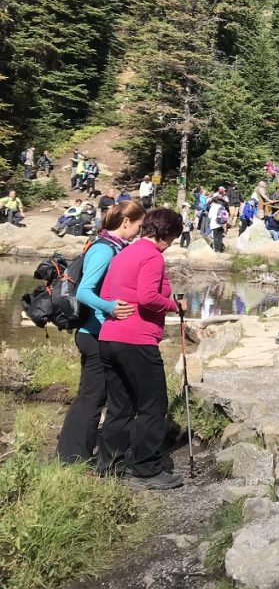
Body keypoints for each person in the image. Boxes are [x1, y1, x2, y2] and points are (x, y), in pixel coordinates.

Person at [97, 207, 185, 490]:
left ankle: (110, 466)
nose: (171, 244)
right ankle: (146, 471)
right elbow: (148, 297)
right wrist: (174, 305)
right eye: (172, 238)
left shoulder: (123, 253)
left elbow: (109, 294)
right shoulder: (152, 255)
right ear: (165, 234)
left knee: (120, 407)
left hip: (109, 338)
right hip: (137, 339)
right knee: (153, 406)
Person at [56, 201, 144, 467]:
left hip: (97, 333)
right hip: (91, 332)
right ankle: (72, 457)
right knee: (92, 396)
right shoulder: (104, 249)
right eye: (138, 226)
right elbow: (84, 291)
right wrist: (111, 308)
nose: (139, 232)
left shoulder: (114, 246)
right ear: (126, 222)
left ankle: (73, 452)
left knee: (94, 394)